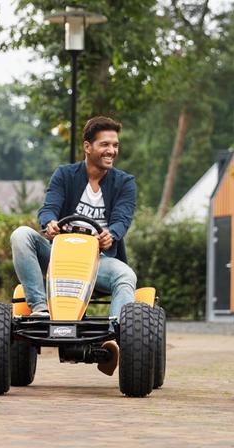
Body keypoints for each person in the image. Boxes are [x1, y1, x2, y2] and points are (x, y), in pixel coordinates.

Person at [10, 116, 137, 318]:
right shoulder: (64, 175)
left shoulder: (125, 183)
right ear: (88, 147)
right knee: (20, 235)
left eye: (115, 145)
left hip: (99, 260)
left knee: (126, 275)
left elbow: (122, 219)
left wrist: (110, 234)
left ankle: (117, 333)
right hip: (60, 257)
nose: (112, 151)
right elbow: (48, 208)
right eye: (105, 144)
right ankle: (40, 308)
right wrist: (49, 223)